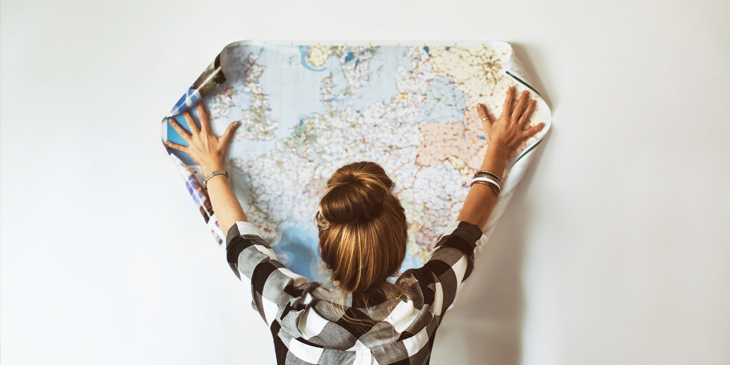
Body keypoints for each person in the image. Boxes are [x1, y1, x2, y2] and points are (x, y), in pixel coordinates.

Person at [165, 86, 544, 364]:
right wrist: (497, 148)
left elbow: (240, 244)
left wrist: (212, 166)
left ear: (326, 244)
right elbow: (465, 235)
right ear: (398, 245)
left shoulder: (288, 311)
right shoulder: (422, 304)